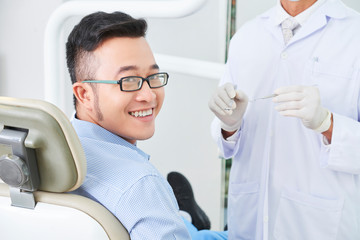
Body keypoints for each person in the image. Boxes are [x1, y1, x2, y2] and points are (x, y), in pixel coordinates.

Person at [66, 11, 227, 240]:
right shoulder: (141, 185)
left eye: (153, 76)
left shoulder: (59, 148)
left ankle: (184, 218)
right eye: (128, 81)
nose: (149, 95)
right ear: (84, 94)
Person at [208, 0, 360, 239]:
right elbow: (226, 142)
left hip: (320, 225)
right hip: (249, 223)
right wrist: (229, 125)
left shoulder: (354, 35)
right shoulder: (247, 36)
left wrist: (327, 124)